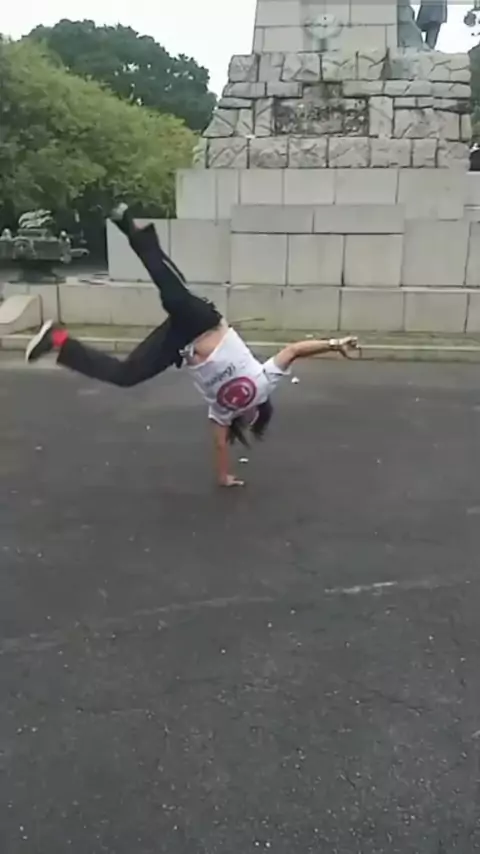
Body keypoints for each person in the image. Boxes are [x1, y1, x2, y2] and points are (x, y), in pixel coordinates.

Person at [26, 206, 359, 487]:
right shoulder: (263, 383)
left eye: (246, 420)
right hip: (205, 322)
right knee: (173, 296)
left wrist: (224, 476)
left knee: (126, 375)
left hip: (180, 343)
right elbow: (294, 350)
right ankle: (129, 225)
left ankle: (58, 341)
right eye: (253, 415)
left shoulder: (223, 413)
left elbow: (219, 446)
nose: (246, 413)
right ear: (259, 409)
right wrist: (334, 344)